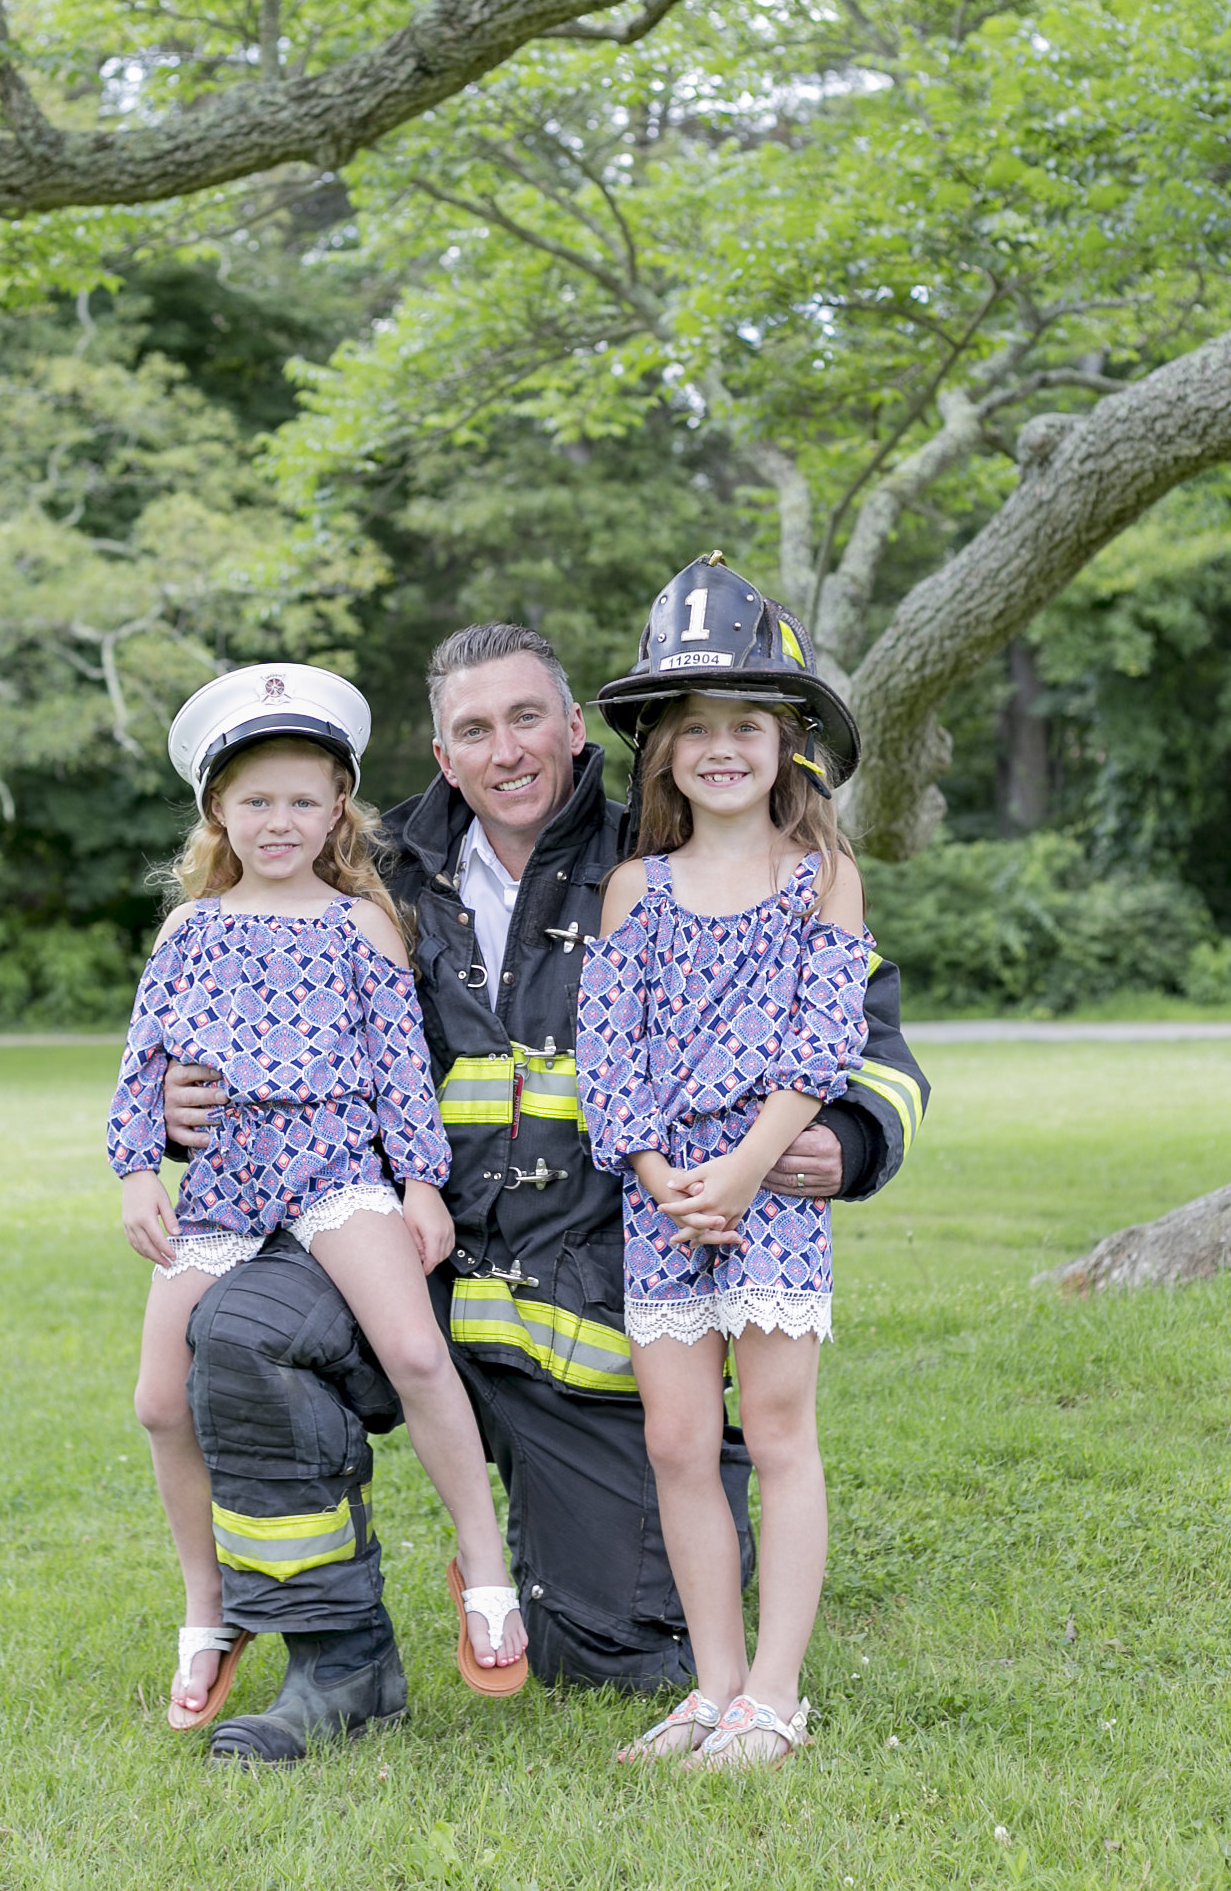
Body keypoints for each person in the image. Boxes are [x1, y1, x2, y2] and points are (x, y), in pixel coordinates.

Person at [163, 583, 928, 1761]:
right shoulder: (377, 875)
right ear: (441, 753)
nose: (506, 748)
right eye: (475, 729)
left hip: (597, 1287)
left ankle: (625, 1589)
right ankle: (336, 1657)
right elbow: (230, 1009)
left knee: (628, 1649)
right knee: (242, 1330)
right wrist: (176, 1106)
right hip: (391, 1253)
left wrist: (854, 1133)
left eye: (529, 717)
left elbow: (869, 1039)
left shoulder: (664, 848)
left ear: (577, 727)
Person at [107, 662, 526, 1733]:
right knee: (161, 1396)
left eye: (303, 797)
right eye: (256, 800)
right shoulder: (188, 932)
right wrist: (134, 1171)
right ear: (218, 811)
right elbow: (141, 1065)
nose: (280, 820)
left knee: (417, 1350)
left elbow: (397, 1070)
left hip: (338, 1164)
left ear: (339, 803)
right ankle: (210, 1604)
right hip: (226, 1179)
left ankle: (484, 1562)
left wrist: (422, 1182)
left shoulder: (360, 924)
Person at [579, 554, 869, 1768]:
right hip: (664, 1199)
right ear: (662, 752)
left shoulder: (823, 881)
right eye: (696, 728)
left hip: (767, 1190)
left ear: (788, 740)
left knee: (782, 1427)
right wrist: (657, 1175)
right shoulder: (635, 887)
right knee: (679, 1441)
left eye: (748, 724)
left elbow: (825, 1043)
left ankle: (777, 1695)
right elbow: (611, 1052)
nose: (722, 747)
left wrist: (748, 1168)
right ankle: (712, 1683)